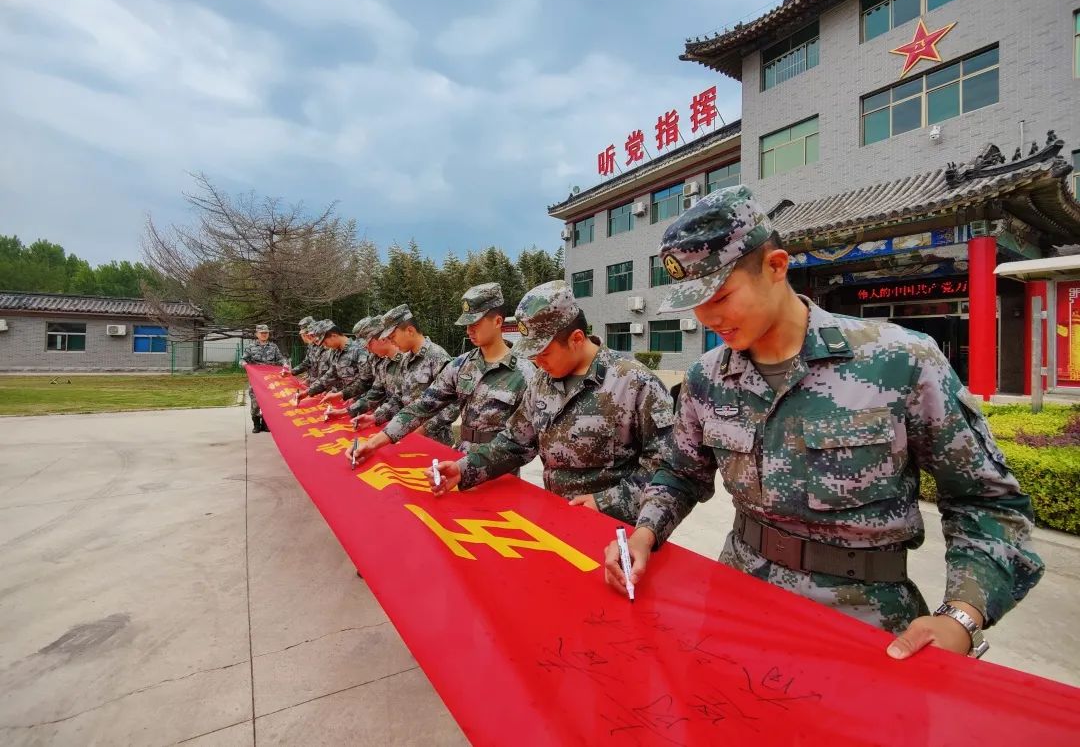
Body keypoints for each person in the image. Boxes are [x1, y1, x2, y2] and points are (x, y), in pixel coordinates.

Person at [602, 186, 1044, 660]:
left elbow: (988, 502)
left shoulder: (899, 361)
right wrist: (645, 534)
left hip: (862, 623)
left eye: (722, 295)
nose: (707, 317)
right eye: (694, 302)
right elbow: (679, 474)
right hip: (735, 602)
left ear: (776, 266)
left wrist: (961, 615)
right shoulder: (707, 378)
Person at [424, 281, 675, 524]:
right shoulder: (542, 382)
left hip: (616, 531)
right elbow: (514, 443)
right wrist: (464, 469)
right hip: (558, 521)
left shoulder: (634, 383)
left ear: (576, 338)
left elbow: (668, 468)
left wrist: (606, 502)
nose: (538, 363)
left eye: (543, 353)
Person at [350, 283, 534, 464]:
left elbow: (526, 444)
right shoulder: (460, 366)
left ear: (497, 321)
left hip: (499, 469)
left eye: (475, 323)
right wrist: (373, 443)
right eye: (466, 323)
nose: (468, 330)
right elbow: (421, 407)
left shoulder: (525, 373)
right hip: (459, 460)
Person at [352, 305, 455, 445]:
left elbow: (453, 405)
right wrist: (375, 417)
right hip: (407, 433)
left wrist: (422, 429)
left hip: (435, 440)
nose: (391, 341)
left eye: (393, 336)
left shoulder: (437, 357)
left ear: (410, 331)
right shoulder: (406, 359)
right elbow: (399, 398)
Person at [299, 320, 370, 401]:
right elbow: (331, 374)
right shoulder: (336, 352)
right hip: (347, 398)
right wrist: (308, 391)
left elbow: (366, 381)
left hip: (362, 401)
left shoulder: (358, 350)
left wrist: (342, 395)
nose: (324, 346)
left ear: (334, 336)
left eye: (325, 342)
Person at [322, 317, 380, 406]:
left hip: (365, 401)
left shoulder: (358, 350)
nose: (364, 345)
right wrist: (337, 393)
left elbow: (367, 381)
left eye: (366, 339)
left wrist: (345, 396)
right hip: (358, 400)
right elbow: (335, 375)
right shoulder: (338, 351)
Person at [241, 323, 287, 433]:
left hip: (270, 380)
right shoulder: (250, 347)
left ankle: (266, 424)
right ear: (257, 334)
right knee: (256, 402)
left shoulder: (273, 347)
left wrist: (285, 363)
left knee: (269, 402)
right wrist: (243, 364)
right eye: (262, 333)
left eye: (266, 333)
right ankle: (256, 425)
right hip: (256, 380)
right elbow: (243, 360)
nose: (264, 335)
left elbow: (280, 359)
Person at [287, 316, 320, 381]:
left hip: (327, 387)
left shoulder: (326, 345)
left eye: (306, 334)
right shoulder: (311, 346)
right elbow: (306, 363)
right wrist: (292, 372)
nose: (306, 336)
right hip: (317, 384)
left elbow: (330, 371)